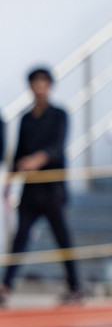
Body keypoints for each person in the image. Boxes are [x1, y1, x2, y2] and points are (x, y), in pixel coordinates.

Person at [0, 68, 82, 306]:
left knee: (62, 238)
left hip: (53, 188)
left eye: (43, 82)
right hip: (30, 190)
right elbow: (19, 152)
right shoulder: (26, 118)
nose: (39, 86)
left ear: (49, 86)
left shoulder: (59, 114)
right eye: (35, 82)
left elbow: (58, 147)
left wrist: (39, 159)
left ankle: (75, 286)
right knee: (20, 238)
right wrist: (11, 179)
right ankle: (6, 285)